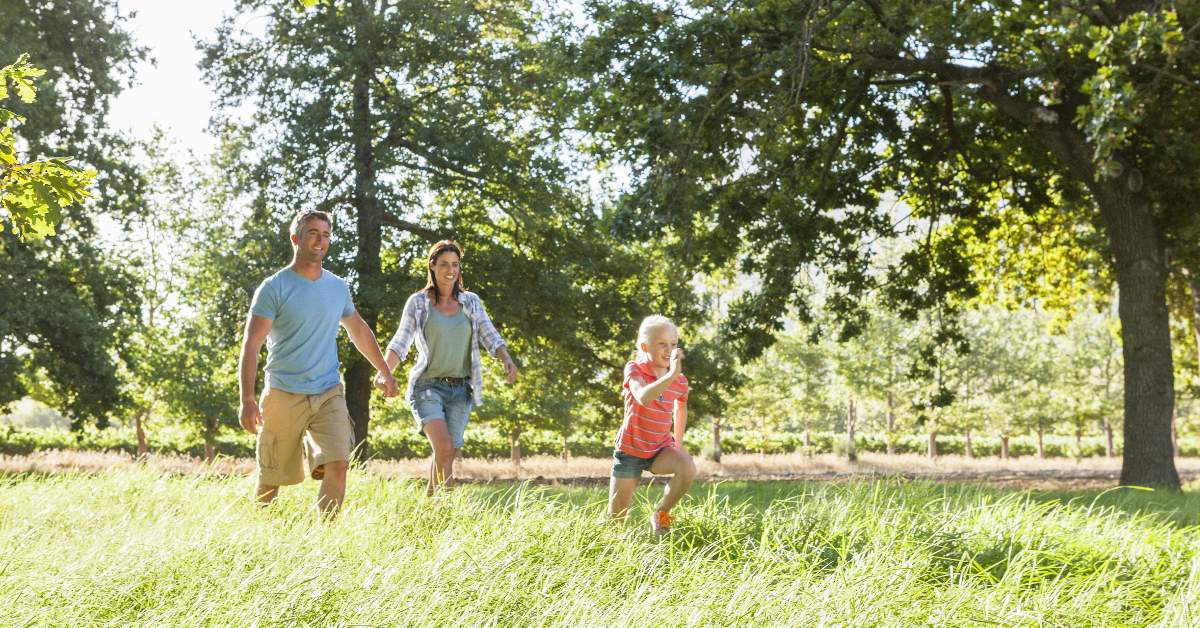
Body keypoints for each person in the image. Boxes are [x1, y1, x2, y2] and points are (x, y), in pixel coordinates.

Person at [238, 209, 399, 518]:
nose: (320, 240)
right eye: (313, 233)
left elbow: (359, 330)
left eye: (325, 235)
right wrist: (247, 399)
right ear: (295, 238)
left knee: (338, 463)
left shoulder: (337, 287)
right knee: (272, 478)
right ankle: (257, 534)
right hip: (284, 391)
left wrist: (384, 370)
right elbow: (252, 344)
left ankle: (323, 544)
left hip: (327, 391)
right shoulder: (274, 288)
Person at [377, 240, 518, 496]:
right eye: (443, 264)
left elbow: (491, 336)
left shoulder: (471, 302)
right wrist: (384, 372)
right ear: (432, 266)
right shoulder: (418, 303)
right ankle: (447, 516)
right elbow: (401, 341)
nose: (450, 270)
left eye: (455, 264)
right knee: (443, 448)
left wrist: (505, 357)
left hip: (461, 390)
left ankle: (430, 514)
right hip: (427, 387)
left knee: (446, 454)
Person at [606, 315, 696, 535]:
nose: (669, 349)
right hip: (631, 450)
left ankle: (661, 514)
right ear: (645, 346)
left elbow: (681, 407)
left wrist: (679, 443)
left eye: (673, 344)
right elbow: (643, 397)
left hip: (659, 449)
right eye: (662, 343)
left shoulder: (680, 381)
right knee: (614, 523)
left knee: (687, 467)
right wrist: (673, 373)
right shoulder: (634, 369)